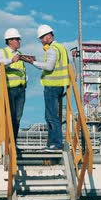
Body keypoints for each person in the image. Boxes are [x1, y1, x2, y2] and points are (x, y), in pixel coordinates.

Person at [23, 24, 70, 152]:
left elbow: (49, 67)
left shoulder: (52, 49)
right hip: (60, 85)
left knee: (51, 116)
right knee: (50, 116)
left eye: (42, 38)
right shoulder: (61, 48)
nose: (41, 41)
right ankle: (50, 144)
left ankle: (57, 144)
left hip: (52, 86)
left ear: (49, 35)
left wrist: (32, 62)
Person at [0, 28, 26, 149]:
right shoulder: (2, 52)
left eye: (19, 39)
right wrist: (11, 60)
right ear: (9, 41)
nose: (19, 41)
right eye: (17, 39)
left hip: (21, 90)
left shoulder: (20, 53)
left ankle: (13, 142)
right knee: (9, 116)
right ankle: (5, 142)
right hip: (9, 89)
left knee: (17, 118)